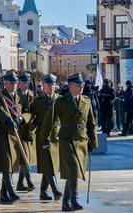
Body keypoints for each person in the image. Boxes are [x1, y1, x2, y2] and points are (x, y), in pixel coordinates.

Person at [41, 73, 98, 211]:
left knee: (74, 172)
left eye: (82, 84)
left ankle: (65, 202)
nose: (82, 87)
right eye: (79, 85)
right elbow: (49, 120)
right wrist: (44, 138)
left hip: (81, 140)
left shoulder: (86, 101)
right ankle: (74, 201)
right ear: (71, 86)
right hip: (67, 140)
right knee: (73, 171)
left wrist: (93, 141)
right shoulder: (61, 102)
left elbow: (91, 123)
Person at [0, 71, 31, 203]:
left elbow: (27, 111)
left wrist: (22, 119)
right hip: (2, 134)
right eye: (11, 82)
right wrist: (8, 119)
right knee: (7, 163)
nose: (14, 85)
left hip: (15, 135)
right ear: (5, 83)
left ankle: (3, 194)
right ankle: (11, 191)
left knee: (10, 166)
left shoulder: (20, 96)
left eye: (15, 82)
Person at [30, 74, 62, 201]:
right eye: (48, 85)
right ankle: (55, 191)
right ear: (43, 86)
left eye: (53, 85)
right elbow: (30, 116)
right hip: (43, 136)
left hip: (56, 137)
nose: (51, 87)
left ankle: (43, 192)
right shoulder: (37, 102)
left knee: (51, 165)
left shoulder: (60, 100)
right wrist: (30, 129)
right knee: (48, 164)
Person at [16, 72, 36, 192]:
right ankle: (28, 181)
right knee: (25, 157)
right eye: (24, 82)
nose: (26, 84)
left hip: (30, 129)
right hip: (20, 129)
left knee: (26, 156)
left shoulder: (32, 95)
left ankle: (20, 182)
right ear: (19, 83)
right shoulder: (17, 95)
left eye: (27, 82)